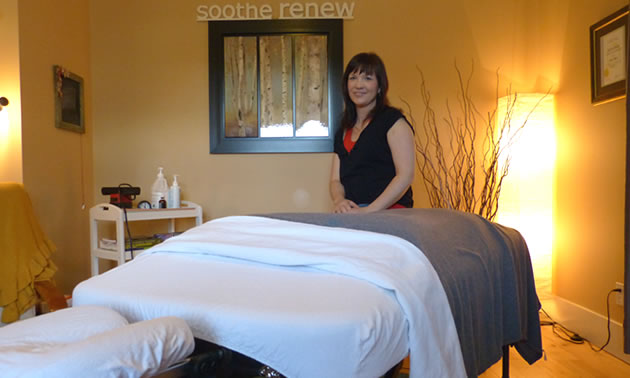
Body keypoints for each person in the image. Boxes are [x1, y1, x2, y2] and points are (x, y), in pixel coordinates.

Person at [330, 52, 415, 213]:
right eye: (353, 78)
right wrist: (339, 201)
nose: (358, 85)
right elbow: (335, 180)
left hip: (390, 212)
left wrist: (369, 211)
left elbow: (405, 176)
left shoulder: (394, 122)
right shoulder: (343, 130)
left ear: (379, 87)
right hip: (354, 213)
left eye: (367, 78)